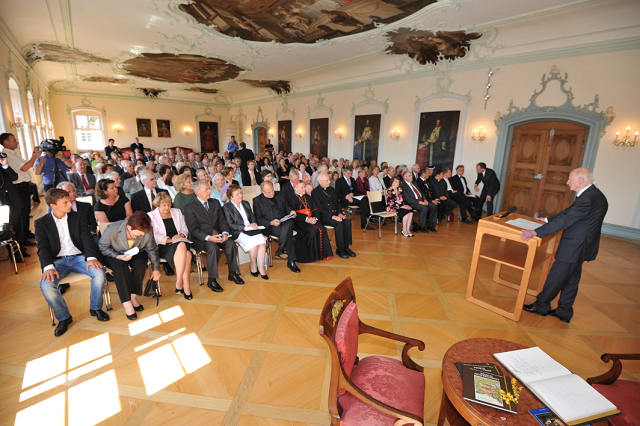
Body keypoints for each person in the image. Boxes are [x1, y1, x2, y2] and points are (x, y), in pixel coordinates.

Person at [521, 168, 608, 323]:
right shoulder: (595, 195)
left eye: (570, 179)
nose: (567, 182)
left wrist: (536, 232)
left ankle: (541, 306)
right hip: (582, 246)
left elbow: (566, 220)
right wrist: (547, 220)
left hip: (574, 246)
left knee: (556, 277)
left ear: (581, 180)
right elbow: (569, 213)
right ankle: (564, 311)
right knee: (571, 280)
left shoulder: (587, 198)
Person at [37, 188, 108, 336]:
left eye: (69, 201)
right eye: (65, 202)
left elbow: (86, 238)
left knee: (99, 273)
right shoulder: (41, 223)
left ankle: (95, 308)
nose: (70, 204)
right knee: (46, 285)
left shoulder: (78, 216)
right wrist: (48, 267)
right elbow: (42, 247)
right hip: (57, 262)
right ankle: (64, 317)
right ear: (53, 205)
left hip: (79, 257)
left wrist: (91, 258)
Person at [184, 181, 244, 292]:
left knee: (231, 244)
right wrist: (209, 238)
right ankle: (211, 280)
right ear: (197, 191)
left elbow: (222, 221)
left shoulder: (215, 203)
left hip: (219, 234)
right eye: (206, 189)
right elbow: (194, 229)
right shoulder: (190, 207)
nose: (209, 191)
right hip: (202, 238)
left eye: (209, 189)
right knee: (213, 248)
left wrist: (225, 233)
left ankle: (233, 273)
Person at [100, 211, 161, 320]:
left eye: (144, 231)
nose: (143, 234)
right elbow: (103, 247)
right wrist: (118, 256)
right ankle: (127, 303)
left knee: (141, 265)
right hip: (114, 254)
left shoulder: (146, 229)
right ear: (129, 227)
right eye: (140, 232)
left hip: (136, 252)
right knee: (120, 268)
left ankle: (133, 297)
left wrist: (156, 269)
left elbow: (152, 249)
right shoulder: (112, 229)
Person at [148, 192, 193, 299]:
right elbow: (153, 235)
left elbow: (184, 228)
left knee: (182, 245)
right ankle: (184, 285)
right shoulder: (151, 215)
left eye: (169, 204)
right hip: (163, 245)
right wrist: (170, 240)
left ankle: (181, 283)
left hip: (179, 241)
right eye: (164, 205)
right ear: (158, 204)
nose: (167, 207)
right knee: (187, 254)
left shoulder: (177, 212)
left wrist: (181, 235)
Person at [0, 133, 41, 247]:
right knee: (21, 215)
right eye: (14, 140)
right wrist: (35, 157)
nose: (17, 142)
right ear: (6, 142)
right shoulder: (7, 155)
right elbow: (24, 168)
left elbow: (26, 165)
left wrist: (34, 155)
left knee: (26, 212)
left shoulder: (12, 154)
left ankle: (26, 234)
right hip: (18, 187)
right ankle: (22, 239)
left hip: (23, 185)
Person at [223, 185, 269, 279]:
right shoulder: (227, 207)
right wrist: (243, 227)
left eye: (241, 193)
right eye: (237, 194)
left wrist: (254, 223)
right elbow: (230, 224)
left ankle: (261, 268)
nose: (240, 195)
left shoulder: (246, 203)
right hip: (238, 231)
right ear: (231, 196)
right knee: (253, 244)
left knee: (262, 241)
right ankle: (253, 265)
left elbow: (252, 217)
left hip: (251, 229)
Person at [253, 181, 300, 272]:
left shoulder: (280, 194)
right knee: (288, 234)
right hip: (272, 226)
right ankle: (291, 261)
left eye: (272, 191)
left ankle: (281, 248)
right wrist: (271, 222)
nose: (271, 194)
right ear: (262, 192)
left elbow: (287, 207)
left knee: (289, 222)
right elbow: (258, 218)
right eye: (268, 192)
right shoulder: (257, 200)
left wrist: (291, 212)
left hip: (285, 221)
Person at [287, 180, 333, 262]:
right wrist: (306, 219)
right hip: (299, 222)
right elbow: (293, 214)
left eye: (304, 187)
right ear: (295, 188)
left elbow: (315, 209)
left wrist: (315, 218)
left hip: (311, 219)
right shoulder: (290, 198)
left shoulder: (308, 197)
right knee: (313, 231)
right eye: (302, 187)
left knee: (322, 229)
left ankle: (323, 254)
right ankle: (312, 256)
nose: (304, 189)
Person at [312, 172, 355, 259]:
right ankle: (339, 249)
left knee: (347, 221)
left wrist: (340, 213)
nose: (329, 182)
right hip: (325, 217)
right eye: (327, 180)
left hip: (336, 214)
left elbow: (338, 203)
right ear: (320, 181)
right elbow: (320, 208)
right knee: (339, 223)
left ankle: (346, 247)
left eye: (329, 180)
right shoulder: (315, 192)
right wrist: (332, 216)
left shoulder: (332, 189)